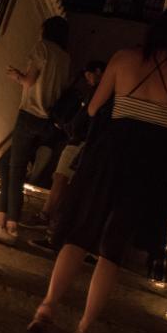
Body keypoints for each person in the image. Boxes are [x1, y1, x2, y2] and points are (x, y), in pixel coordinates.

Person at [28, 2, 167, 333]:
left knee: (79, 233)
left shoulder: (123, 58)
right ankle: (85, 327)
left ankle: (47, 307)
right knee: (112, 248)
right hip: (149, 164)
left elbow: (92, 108)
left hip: (109, 155)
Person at [0, 17, 71, 241]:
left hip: (30, 115)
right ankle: (2, 217)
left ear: (46, 31)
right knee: (3, 164)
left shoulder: (42, 47)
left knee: (15, 170)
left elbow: (29, 81)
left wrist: (16, 76)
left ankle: (11, 225)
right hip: (47, 122)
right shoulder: (65, 58)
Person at [23, 60, 106, 238]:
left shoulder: (101, 92)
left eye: (89, 75)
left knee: (61, 177)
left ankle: (48, 217)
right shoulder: (102, 93)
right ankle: (52, 218)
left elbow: (87, 116)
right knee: (62, 177)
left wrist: (71, 127)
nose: (88, 80)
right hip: (82, 139)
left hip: (80, 140)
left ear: (99, 71)